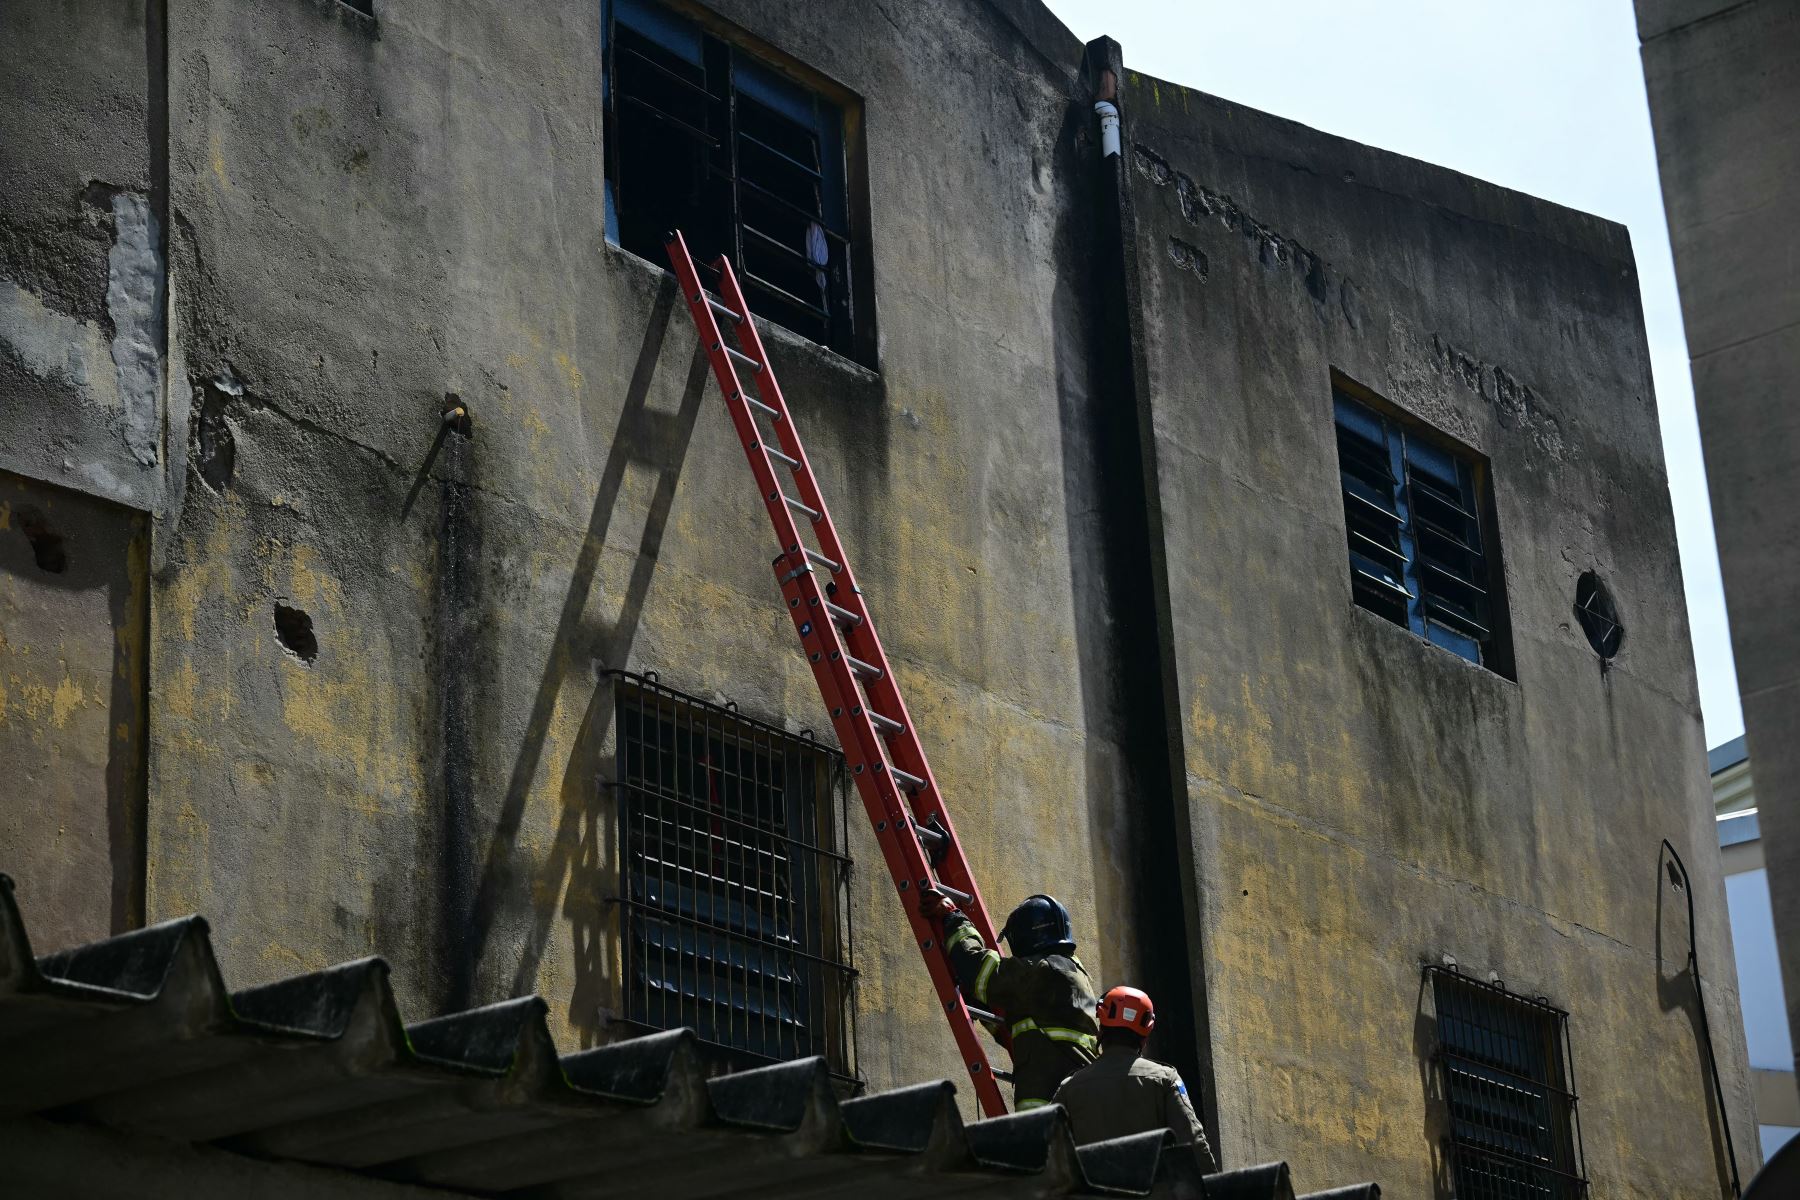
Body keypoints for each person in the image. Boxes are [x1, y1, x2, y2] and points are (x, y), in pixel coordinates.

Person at [921, 890, 1099, 1109]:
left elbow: (975, 968)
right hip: (1077, 1111)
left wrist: (953, 917)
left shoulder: (1043, 971)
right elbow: (1018, 1030)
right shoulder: (1072, 971)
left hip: (1047, 1120)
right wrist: (980, 1007)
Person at [1052, 985, 1215, 1169]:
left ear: (1101, 1030)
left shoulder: (1070, 1087)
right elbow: (1193, 1142)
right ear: (1144, 1036)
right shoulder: (1165, 1079)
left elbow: (1049, 1153)